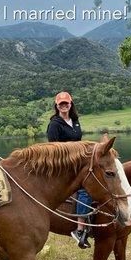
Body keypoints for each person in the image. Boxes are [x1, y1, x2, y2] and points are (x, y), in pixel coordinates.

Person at [47, 91, 93, 248]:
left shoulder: (75, 121)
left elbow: (79, 142)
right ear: (57, 106)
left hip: (78, 164)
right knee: (85, 189)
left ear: (71, 104)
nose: (64, 105)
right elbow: (52, 150)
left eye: (66, 103)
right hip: (64, 166)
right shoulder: (54, 124)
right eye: (61, 104)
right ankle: (79, 229)